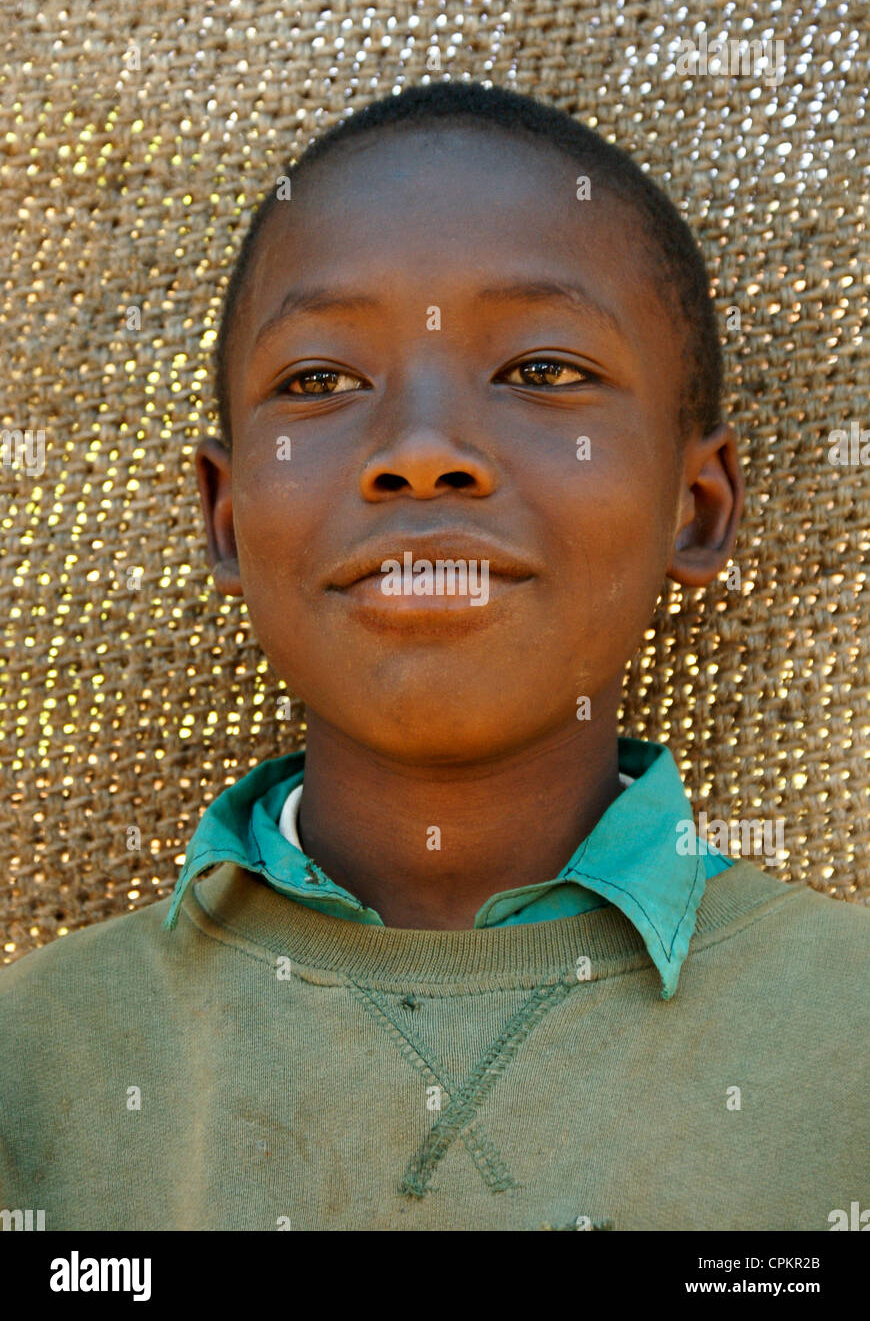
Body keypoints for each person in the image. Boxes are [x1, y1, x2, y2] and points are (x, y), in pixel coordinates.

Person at [1, 81, 866, 1231]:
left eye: (544, 371)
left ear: (696, 507)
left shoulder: (844, 1030)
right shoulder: (38, 1060)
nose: (420, 455)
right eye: (319, 382)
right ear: (224, 516)